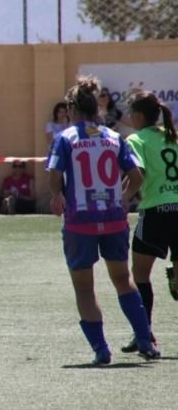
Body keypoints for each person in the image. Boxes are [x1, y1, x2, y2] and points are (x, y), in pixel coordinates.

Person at [47, 76, 157, 364]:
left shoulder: (66, 138)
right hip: (112, 219)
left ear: (71, 108)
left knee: (84, 287)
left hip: (80, 221)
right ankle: (145, 340)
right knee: (123, 279)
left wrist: (56, 195)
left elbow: (54, 174)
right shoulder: (113, 137)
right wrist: (122, 198)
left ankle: (101, 350)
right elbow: (136, 177)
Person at [122, 91, 178, 354]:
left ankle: (144, 334)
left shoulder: (136, 139)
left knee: (140, 273)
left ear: (138, 115)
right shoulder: (173, 135)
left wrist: (121, 201)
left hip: (156, 211)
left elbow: (138, 174)